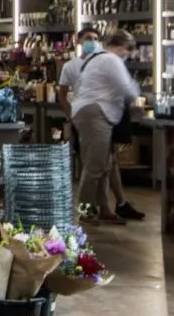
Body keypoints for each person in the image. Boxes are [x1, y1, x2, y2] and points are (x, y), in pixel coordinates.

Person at [59, 28, 143, 221]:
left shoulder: (97, 59)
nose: (126, 55)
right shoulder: (111, 60)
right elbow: (127, 87)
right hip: (95, 114)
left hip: (91, 113)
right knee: (95, 165)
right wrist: (138, 99)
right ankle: (84, 210)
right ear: (121, 47)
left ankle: (103, 209)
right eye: (127, 51)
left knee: (105, 164)